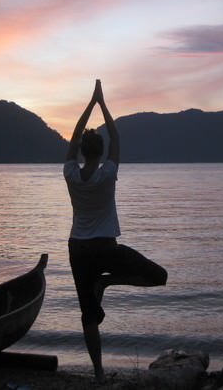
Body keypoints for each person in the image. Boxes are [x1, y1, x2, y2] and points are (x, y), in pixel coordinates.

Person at [64, 79, 168, 381]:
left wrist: (90, 104)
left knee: (89, 316)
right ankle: (109, 283)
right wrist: (102, 103)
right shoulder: (107, 175)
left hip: (78, 250)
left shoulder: (70, 173)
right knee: (158, 276)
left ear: (83, 152)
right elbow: (117, 138)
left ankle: (98, 373)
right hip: (105, 249)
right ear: (100, 153)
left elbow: (72, 140)